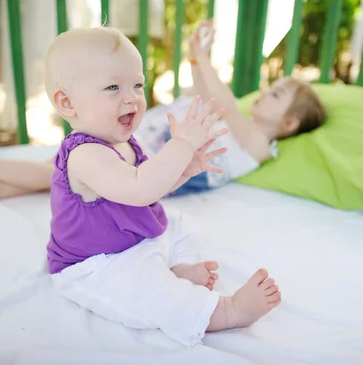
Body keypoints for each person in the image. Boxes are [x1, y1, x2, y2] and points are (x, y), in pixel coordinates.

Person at [42, 25, 282, 346]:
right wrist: (181, 144)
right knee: (144, 289)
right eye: (113, 86)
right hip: (97, 263)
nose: (132, 98)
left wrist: (185, 170)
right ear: (68, 103)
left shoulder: (125, 142)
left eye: (138, 85)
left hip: (135, 240)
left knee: (182, 224)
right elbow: (141, 188)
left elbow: (150, 190)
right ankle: (224, 311)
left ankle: (174, 268)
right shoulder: (84, 154)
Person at [0, 20, 326, 207]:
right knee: (60, 169)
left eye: (276, 94)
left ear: (289, 123)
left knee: (60, 171)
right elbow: (208, 92)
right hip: (150, 145)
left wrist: (204, 57)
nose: (264, 91)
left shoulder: (258, 144)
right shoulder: (236, 124)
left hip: (162, 167)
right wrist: (194, 56)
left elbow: (222, 99)